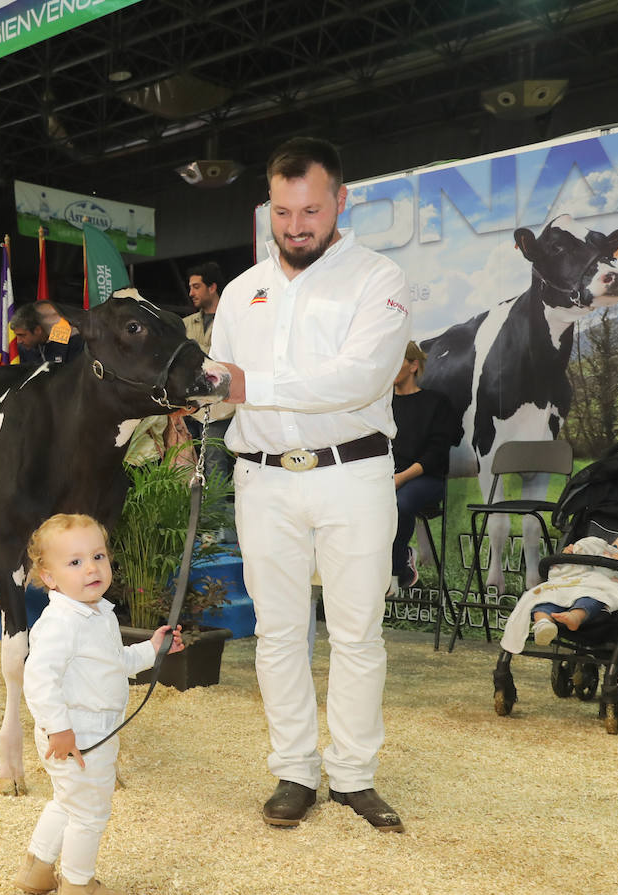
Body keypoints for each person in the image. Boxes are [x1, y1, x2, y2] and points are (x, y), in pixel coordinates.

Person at [210, 137, 411, 833]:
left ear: (341, 202)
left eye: (311, 210)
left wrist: (246, 385)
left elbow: (360, 377)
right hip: (262, 480)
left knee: (357, 632)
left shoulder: (377, 278)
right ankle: (295, 770)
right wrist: (188, 396)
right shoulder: (240, 292)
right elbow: (219, 386)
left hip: (352, 473)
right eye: (284, 211)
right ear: (269, 206)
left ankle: (354, 776)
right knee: (278, 632)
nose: (297, 226)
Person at [16, 513, 182, 895]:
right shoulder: (62, 623)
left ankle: (37, 869)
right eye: (74, 562)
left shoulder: (96, 613)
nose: (91, 567)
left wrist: (152, 650)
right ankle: (78, 887)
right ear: (49, 577)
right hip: (79, 734)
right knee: (90, 813)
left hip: (89, 733)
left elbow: (115, 662)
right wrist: (60, 729)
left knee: (67, 802)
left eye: (98, 556)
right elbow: (38, 679)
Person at [499, 524, 618, 653]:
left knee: (593, 599)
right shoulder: (601, 550)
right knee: (544, 597)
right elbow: (571, 569)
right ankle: (543, 622)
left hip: (598, 590)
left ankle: (575, 617)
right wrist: (569, 555)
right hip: (573, 585)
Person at [389, 341, 457, 593]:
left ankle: (395, 574)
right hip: (385, 477)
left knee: (400, 502)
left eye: (397, 360)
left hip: (426, 479)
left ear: (413, 365)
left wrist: (400, 478)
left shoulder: (435, 403)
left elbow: (436, 454)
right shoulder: (381, 406)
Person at [184, 262, 237, 481]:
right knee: (186, 468)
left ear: (212, 287)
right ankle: (191, 515)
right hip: (189, 410)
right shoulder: (185, 324)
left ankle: (213, 516)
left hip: (220, 411)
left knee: (215, 469)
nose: (191, 293)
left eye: (197, 287)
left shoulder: (234, 321)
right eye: (191, 287)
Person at [9, 300, 84, 367]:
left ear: (38, 330)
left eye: (22, 335)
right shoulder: (24, 349)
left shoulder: (72, 342)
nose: (19, 341)